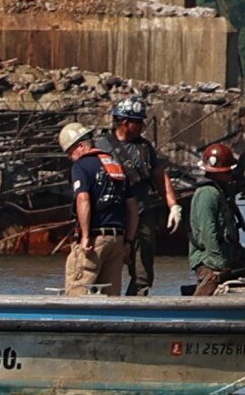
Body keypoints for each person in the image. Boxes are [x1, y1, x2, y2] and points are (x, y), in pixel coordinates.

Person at [101, 96, 168, 296]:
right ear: (124, 122)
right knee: (106, 272)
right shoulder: (102, 146)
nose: (142, 126)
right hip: (112, 218)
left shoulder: (145, 148)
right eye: (138, 122)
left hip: (141, 215)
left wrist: (173, 206)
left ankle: (135, 310)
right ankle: (104, 311)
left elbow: (160, 177)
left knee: (142, 275)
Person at [180, 137, 245, 289]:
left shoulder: (220, 193)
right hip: (210, 261)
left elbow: (227, 234)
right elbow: (208, 231)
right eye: (228, 171)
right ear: (218, 173)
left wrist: (242, 255)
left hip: (226, 259)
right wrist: (218, 263)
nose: (231, 175)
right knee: (206, 294)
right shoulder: (207, 194)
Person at [60, 120, 129, 295]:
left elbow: (83, 199)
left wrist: (85, 236)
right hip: (117, 239)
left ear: (81, 146)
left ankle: (73, 322)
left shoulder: (81, 166)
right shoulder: (114, 164)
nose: (70, 158)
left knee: (77, 290)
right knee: (110, 297)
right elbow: (132, 206)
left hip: (95, 239)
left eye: (70, 152)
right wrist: (127, 241)